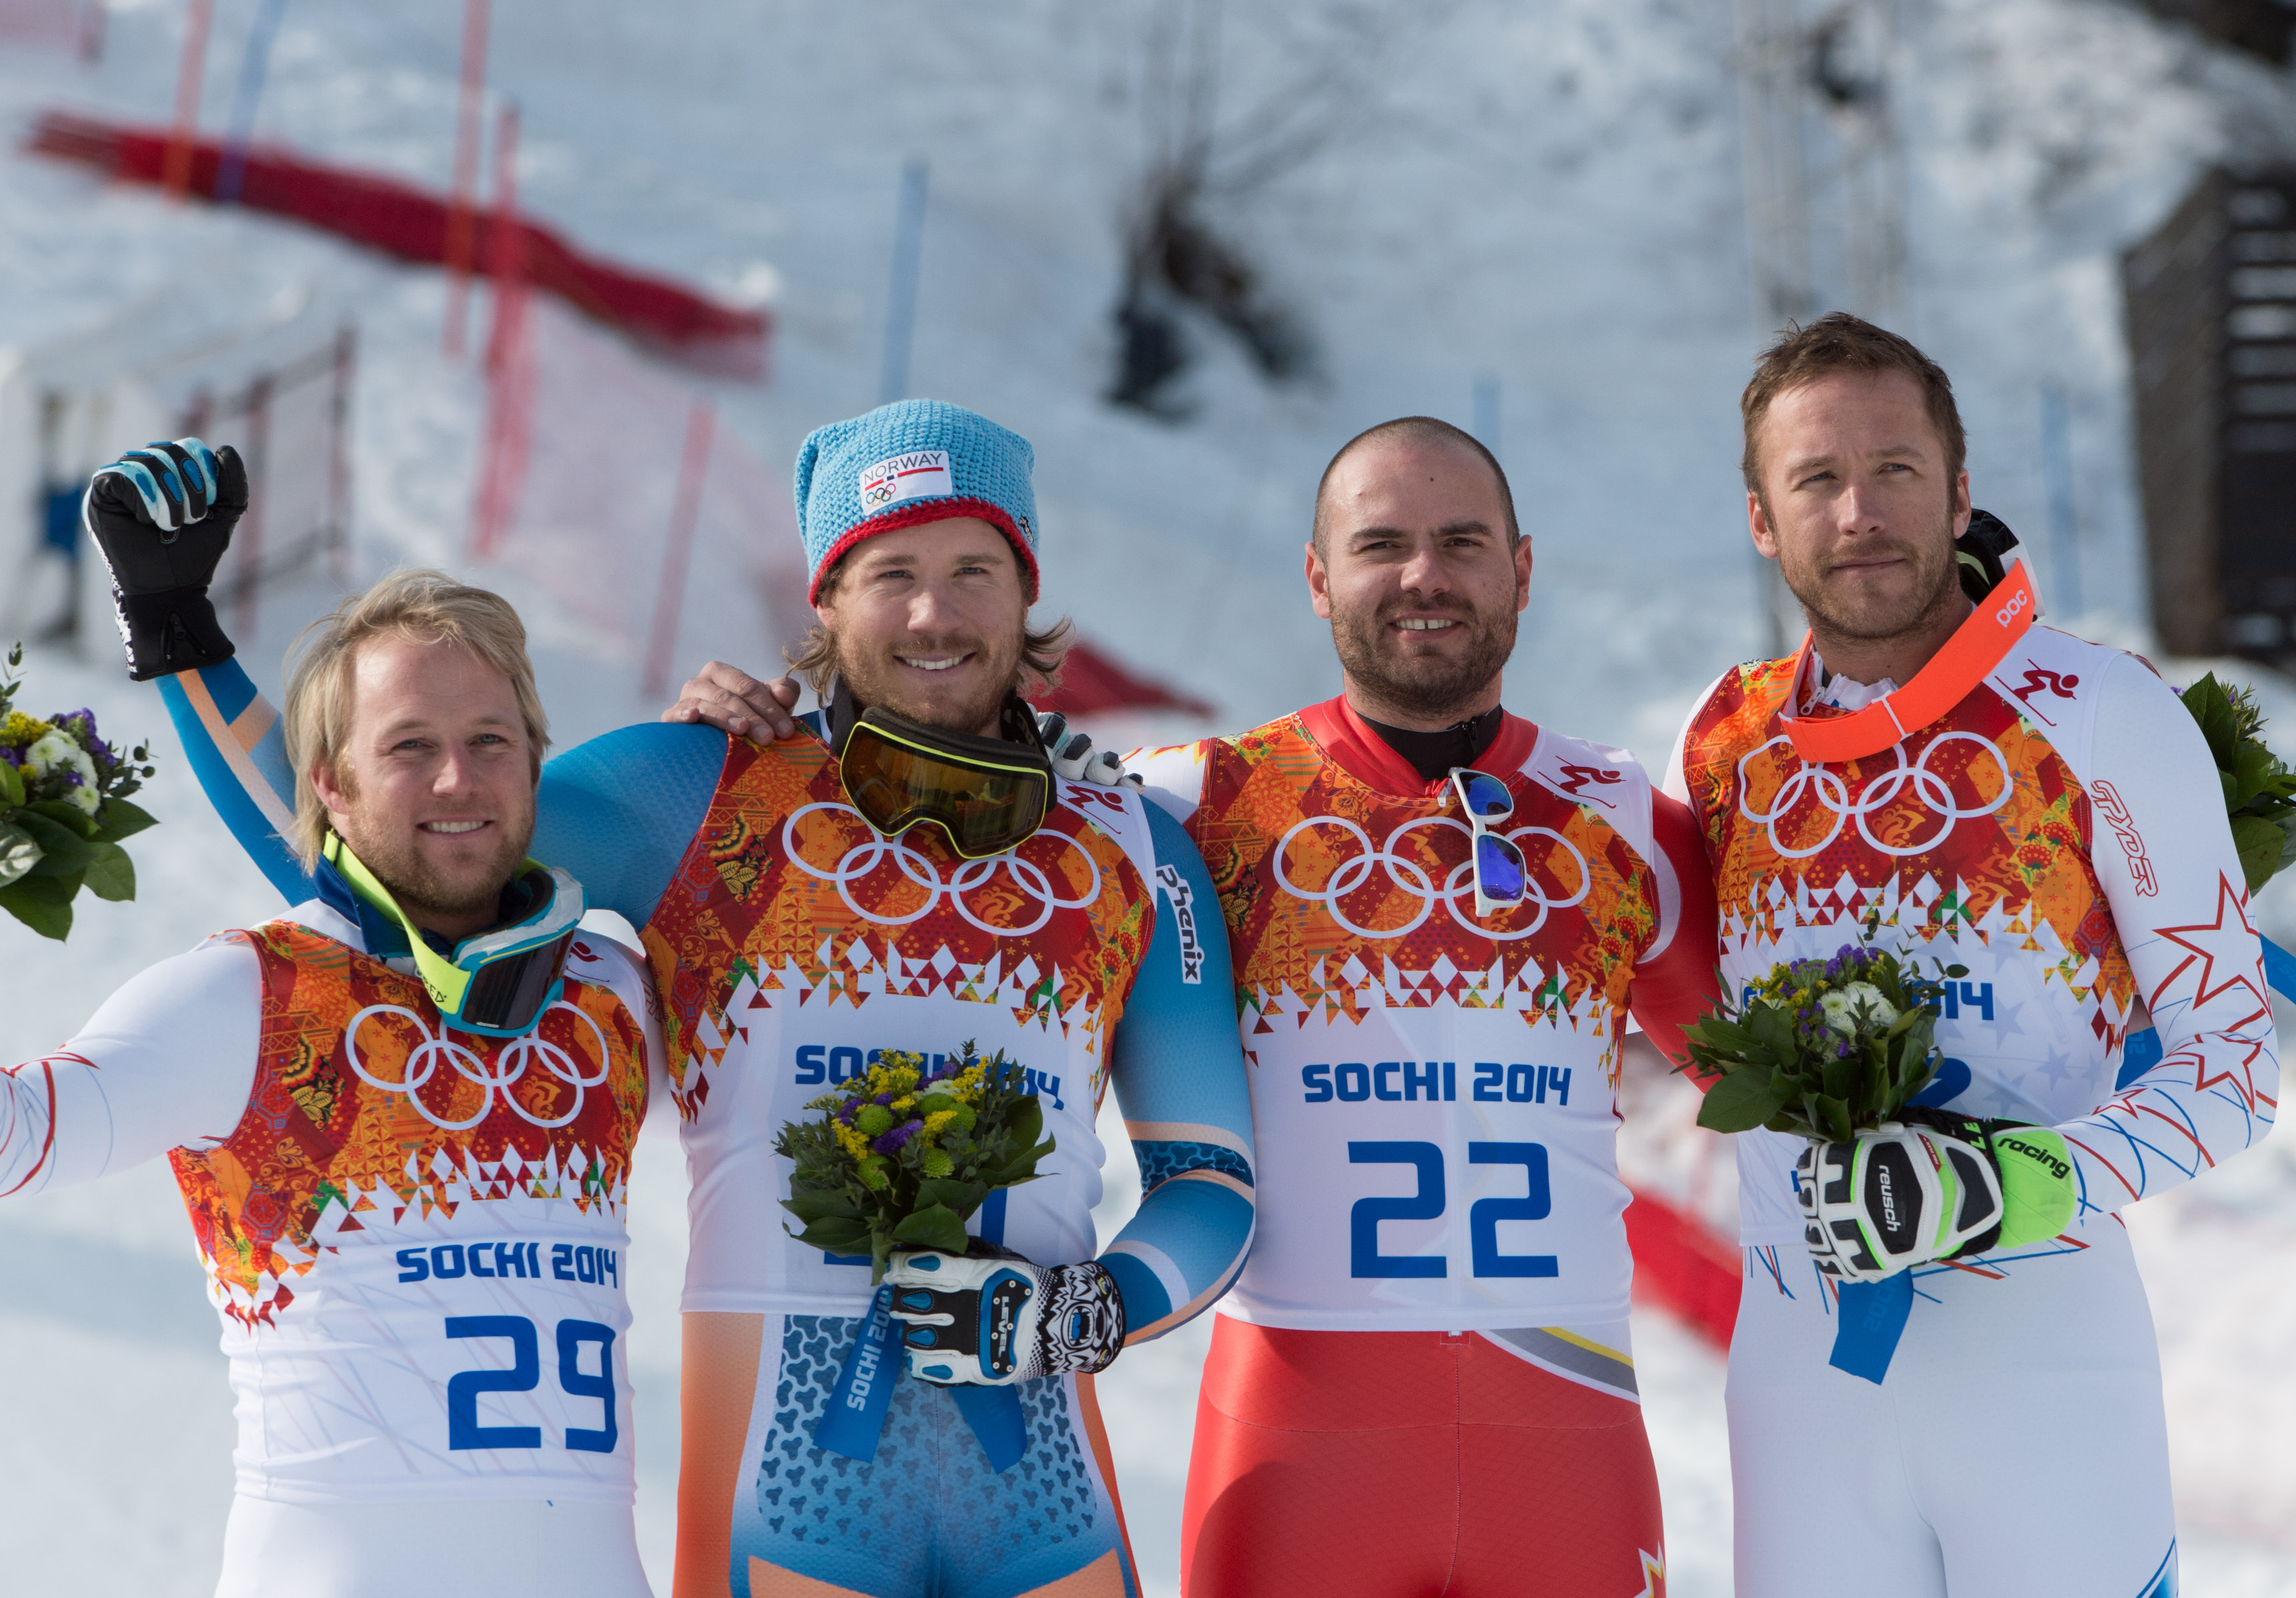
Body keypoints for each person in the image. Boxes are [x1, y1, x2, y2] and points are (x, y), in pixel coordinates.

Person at [159, 402, 1256, 1598]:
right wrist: (176, 630)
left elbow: (1213, 1186)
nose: (934, 613)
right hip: (784, 1490)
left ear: (1026, 584)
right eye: (890, 572)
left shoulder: (1129, 842)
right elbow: (382, 850)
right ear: (824, 601)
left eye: (974, 570)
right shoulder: (700, 783)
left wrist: (1078, 1313)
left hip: (1045, 1490)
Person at [677, 413, 1721, 1598]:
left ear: (1522, 568)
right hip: (1302, 1454)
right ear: (1319, 578)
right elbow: (948, 858)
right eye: (1381, 543)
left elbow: (1761, 1089)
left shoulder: (1623, 816)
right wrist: (743, 743)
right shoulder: (1188, 805)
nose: (1423, 576)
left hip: (1568, 1440)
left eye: (1461, 541)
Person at [1668, 313, 2277, 1598]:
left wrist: (2010, 1186)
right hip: (1802, 1378)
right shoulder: (1731, 743)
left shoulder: (2105, 714)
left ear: (1958, 489)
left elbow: (2235, 1070)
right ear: (1761, 520)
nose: (1859, 512)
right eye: (1815, 480)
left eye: (1895, 469)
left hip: (2044, 1363)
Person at [14, 443, 661, 1597]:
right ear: (329, 784)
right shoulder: (249, 996)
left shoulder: (610, 991)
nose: (458, 781)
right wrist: (171, 627)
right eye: (408, 747)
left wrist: (1059, 791)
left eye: (489, 743)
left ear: (534, 763)